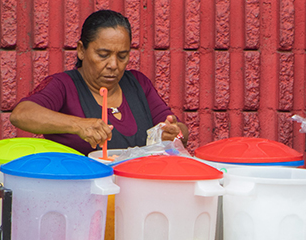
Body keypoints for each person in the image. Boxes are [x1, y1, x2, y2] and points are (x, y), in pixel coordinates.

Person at [10, 9, 189, 155]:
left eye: (122, 56)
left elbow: (180, 130)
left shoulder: (138, 84)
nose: (113, 65)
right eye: (103, 55)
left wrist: (174, 133)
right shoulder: (64, 85)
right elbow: (21, 114)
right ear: (81, 50)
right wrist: (78, 125)